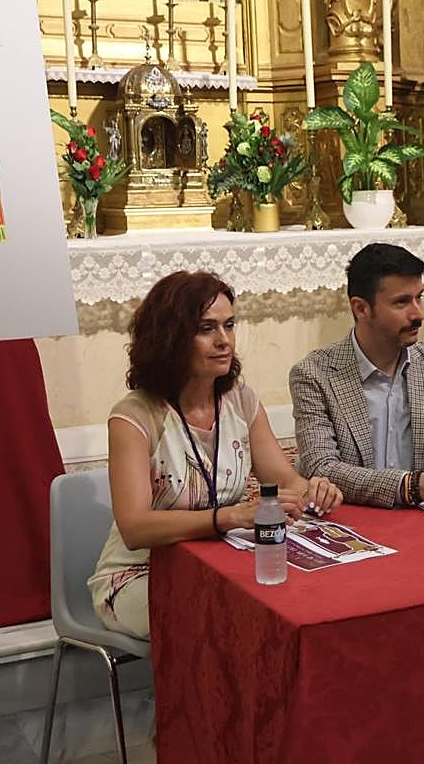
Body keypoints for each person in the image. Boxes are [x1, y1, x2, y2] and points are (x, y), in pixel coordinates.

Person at [89, 272, 342, 639]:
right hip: (140, 575)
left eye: (229, 325)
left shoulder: (240, 400)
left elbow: (285, 480)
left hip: (219, 562)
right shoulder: (134, 416)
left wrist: (312, 489)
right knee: (233, 614)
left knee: (294, 596)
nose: (224, 341)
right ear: (171, 337)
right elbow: (135, 527)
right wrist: (227, 517)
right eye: (207, 328)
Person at [290, 243, 424, 509]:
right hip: (355, 518)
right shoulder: (315, 374)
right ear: (361, 308)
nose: (419, 314)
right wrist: (414, 486)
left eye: (419, 297)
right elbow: (322, 468)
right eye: (402, 302)